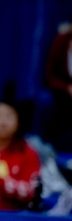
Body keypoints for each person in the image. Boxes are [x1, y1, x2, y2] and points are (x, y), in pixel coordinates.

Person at [45, 23, 72, 151]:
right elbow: (49, 76)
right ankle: (55, 148)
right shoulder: (60, 41)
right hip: (62, 91)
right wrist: (66, 87)